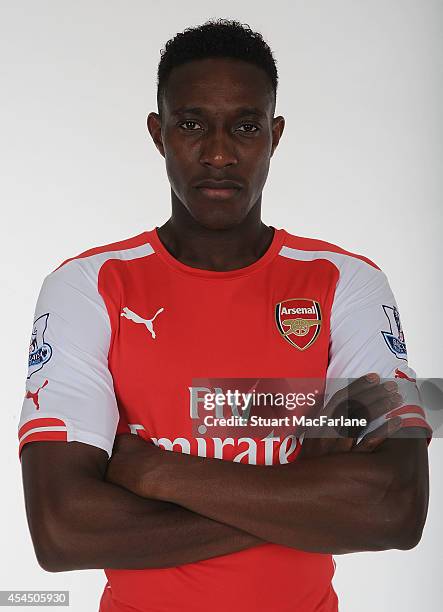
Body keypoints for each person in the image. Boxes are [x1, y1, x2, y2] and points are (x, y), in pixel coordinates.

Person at [18, 18, 431, 612]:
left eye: (245, 126)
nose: (218, 153)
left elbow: (395, 506)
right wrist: (308, 497)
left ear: (274, 135)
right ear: (158, 134)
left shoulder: (348, 285)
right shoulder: (89, 287)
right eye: (192, 125)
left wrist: (153, 471)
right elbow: (61, 531)